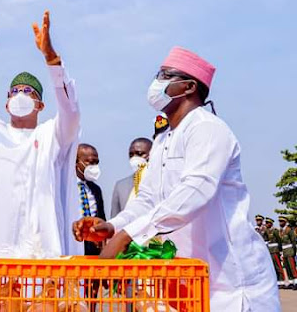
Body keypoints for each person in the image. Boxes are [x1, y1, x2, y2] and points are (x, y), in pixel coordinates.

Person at [72, 46, 279, 310]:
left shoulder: (207, 129)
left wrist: (127, 236)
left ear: (189, 87)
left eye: (165, 75)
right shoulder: (162, 140)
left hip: (232, 283)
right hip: (191, 279)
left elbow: (194, 193)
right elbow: (147, 200)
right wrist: (111, 227)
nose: (156, 82)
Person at [0, 10, 81, 257]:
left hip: (40, 254)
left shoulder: (51, 134)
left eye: (28, 91)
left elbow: (71, 111)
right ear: (6, 104)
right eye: (14, 91)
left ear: (40, 105)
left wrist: (51, 58)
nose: (20, 95)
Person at [110, 138, 152, 218]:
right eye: (131, 155)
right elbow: (114, 217)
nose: (134, 158)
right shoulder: (121, 186)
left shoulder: (161, 183)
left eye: (139, 154)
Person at [75, 144, 105, 255]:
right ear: (76, 162)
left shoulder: (95, 189)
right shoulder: (64, 188)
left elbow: (101, 217)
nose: (94, 167)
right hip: (73, 241)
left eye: (96, 163)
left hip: (92, 245)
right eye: (90, 162)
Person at [264, 217, 284, 289]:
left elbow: (279, 240)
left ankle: (281, 281)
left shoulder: (275, 231)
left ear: (271, 224)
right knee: (273, 267)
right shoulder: (266, 231)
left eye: (267, 223)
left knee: (278, 266)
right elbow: (265, 239)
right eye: (266, 223)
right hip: (270, 251)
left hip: (275, 250)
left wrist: (280, 250)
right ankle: (276, 282)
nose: (266, 224)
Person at [279, 216, 297, 289]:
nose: (280, 223)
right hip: (284, 252)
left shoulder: (289, 230)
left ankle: (296, 282)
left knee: (292, 267)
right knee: (287, 268)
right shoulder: (281, 231)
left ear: (285, 222)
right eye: (279, 221)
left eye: (282, 221)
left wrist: (294, 251)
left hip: (290, 251)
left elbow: (293, 241)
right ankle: (291, 283)